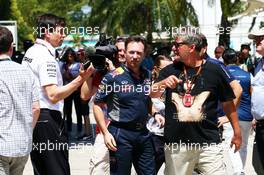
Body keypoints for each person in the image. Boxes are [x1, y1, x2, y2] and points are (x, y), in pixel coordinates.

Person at [150, 26, 241, 175]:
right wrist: (162, 83)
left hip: (209, 144)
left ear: (191, 47)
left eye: (178, 45)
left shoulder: (214, 70)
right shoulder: (169, 70)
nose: (173, 48)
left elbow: (228, 103)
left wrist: (237, 132)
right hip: (177, 146)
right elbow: (152, 94)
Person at [22, 13, 94, 175]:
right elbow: (53, 95)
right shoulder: (45, 57)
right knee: (57, 169)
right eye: (60, 31)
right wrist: (81, 78)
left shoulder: (31, 52)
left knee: (42, 170)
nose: (64, 35)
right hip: (48, 120)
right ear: (47, 32)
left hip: (35, 119)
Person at [93, 36, 155, 175]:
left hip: (143, 134)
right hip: (120, 134)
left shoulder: (147, 75)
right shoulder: (112, 77)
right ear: (125, 53)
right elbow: (97, 104)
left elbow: (146, 100)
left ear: (144, 54)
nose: (135, 56)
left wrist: (156, 114)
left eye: (139, 53)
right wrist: (105, 133)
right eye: (131, 52)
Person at [0, 26, 40, 175]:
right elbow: (36, 108)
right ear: (11, 47)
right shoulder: (26, 72)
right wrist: (27, 132)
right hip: (22, 144)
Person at [222, 48, 253, 173]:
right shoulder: (248, 75)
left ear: (223, 60)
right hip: (247, 114)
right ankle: (240, 171)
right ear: (237, 59)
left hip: (230, 115)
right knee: (244, 145)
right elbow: (253, 95)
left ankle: (238, 171)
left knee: (231, 144)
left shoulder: (223, 74)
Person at [146, 55, 172, 173]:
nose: (169, 73)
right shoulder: (147, 85)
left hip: (173, 138)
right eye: (165, 69)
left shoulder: (175, 86)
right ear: (156, 69)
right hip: (153, 137)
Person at [248, 27, 264, 173]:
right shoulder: (259, 64)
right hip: (259, 124)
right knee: (258, 164)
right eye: (255, 39)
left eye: (261, 38)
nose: (256, 42)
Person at [59, 47, 83, 139]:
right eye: (68, 55)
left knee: (78, 111)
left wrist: (70, 75)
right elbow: (60, 74)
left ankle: (80, 130)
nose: (70, 57)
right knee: (67, 111)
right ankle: (68, 130)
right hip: (67, 90)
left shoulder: (78, 64)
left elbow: (79, 76)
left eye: (71, 55)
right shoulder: (63, 65)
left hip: (76, 90)